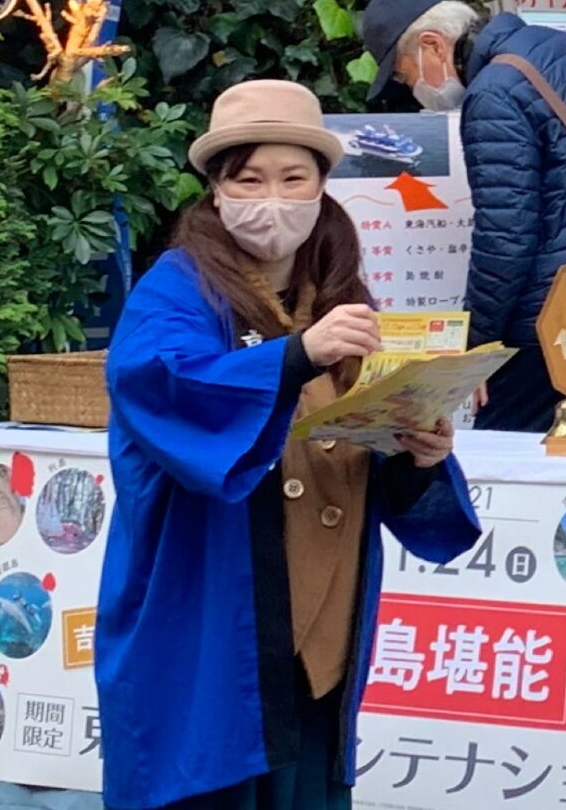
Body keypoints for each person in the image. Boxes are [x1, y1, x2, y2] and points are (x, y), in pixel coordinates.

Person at [99, 81, 480, 810]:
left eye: (292, 178)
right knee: (209, 769)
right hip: (211, 606)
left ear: (322, 185)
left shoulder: (339, 290)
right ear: (215, 189)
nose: (271, 198)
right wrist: (295, 356)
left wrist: (417, 450)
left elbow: (368, 426)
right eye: (248, 179)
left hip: (323, 613)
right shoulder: (174, 289)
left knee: (304, 768)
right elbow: (160, 379)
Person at [359, 0, 566, 432]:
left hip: (552, 326)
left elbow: (504, 237)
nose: (413, 90)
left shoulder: (494, 93)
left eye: (405, 75)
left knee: (513, 470)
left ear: (433, 45)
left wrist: (476, 344)